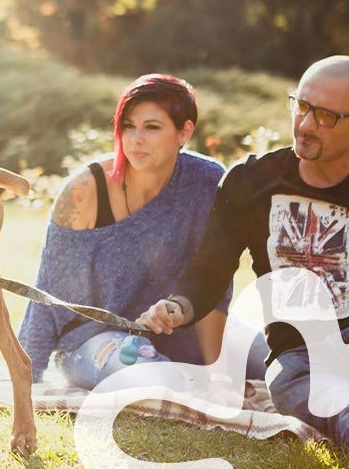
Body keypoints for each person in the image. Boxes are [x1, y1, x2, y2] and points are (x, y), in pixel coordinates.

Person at [137, 56, 349, 469]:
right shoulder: (250, 181)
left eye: (325, 116)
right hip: (298, 347)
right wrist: (179, 306)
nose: (305, 123)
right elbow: (210, 270)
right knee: (340, 410)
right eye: (301, 106)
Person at [19, 74, 263, 389]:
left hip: (178, 331)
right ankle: (182, 379)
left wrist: (217, 369)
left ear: (184, 132)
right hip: (94, 342)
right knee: (160, 379)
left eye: (152, 127)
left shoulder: (207, 181)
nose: (135, 139)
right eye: (127, 126)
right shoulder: (84, 191)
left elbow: (215, 285)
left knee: (283, 361)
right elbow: (47, 292)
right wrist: (25, 376)